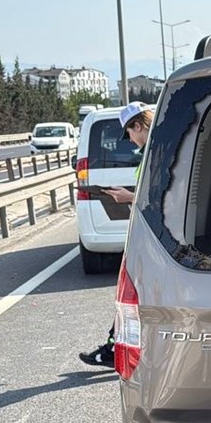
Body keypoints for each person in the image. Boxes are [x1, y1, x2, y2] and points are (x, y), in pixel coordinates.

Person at [78, 102, 154, 367]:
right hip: (149, 236)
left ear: (138, 126)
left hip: (151, 238)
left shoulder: (154, 152)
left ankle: (117, 349)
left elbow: (161, 198)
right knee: (134, 295)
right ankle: (117, 347)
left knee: (131, 296)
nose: (130, 140)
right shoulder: (155, 150)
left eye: (130, 133)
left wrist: (128, 196)